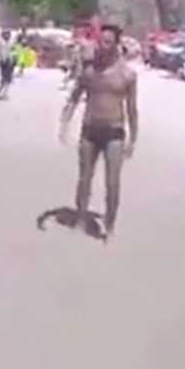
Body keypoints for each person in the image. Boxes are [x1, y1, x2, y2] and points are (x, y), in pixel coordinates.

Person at [58, 23, 138, 240]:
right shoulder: (89, 72)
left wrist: (133, 139)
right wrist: (64, 125)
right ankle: (81, 218)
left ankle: (109, 225)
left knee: (112, 183)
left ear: (116, 45)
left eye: (108, 42)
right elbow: (73, 99)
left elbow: (132, 108)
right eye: (100, 41)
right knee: (84, 179)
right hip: (90, 130)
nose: (102, 46)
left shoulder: (127, 75)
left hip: (115, 131)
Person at [0, 29, 15, 101]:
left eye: (8, 34)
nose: (7, 36)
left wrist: (13, 60)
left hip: (9, 61)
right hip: (3, 61)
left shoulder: (11, 42)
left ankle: (4, 93)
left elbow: (12, 51)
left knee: (8, 78)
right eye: (5, 34)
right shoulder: (0, 42)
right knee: (4, 78)